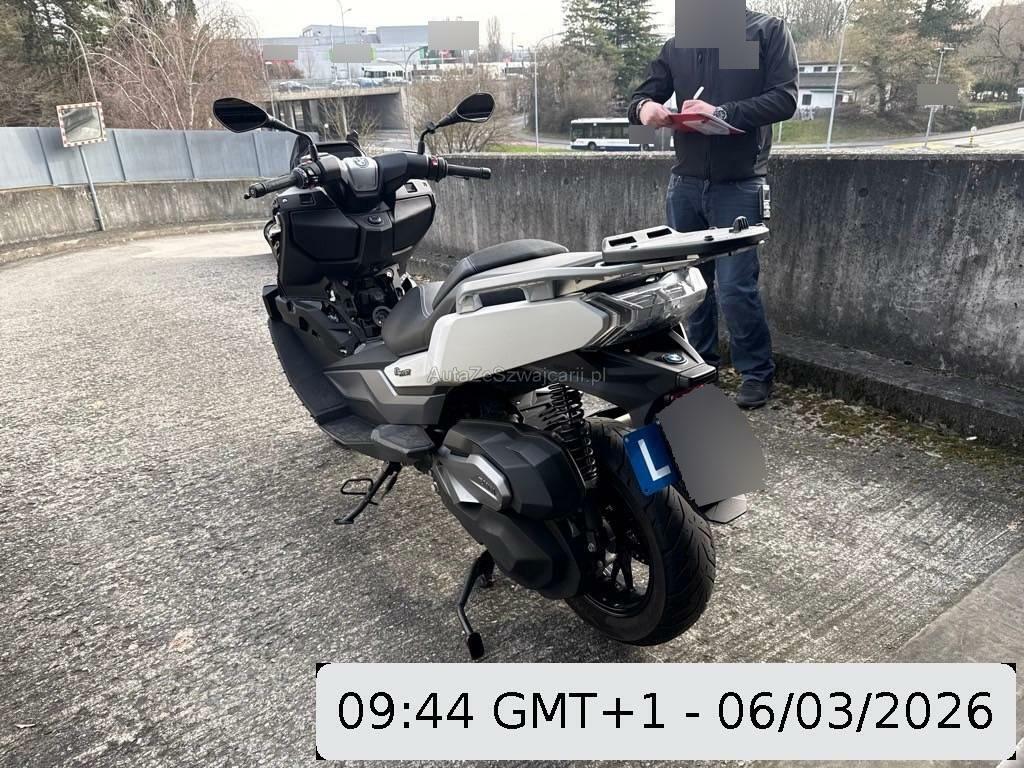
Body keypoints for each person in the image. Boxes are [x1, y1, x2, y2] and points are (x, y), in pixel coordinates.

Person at [628, 10, 798, 409]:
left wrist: (721, 113)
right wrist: (645, 109)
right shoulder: (680, 43)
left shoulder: (766, 31)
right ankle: (701, 369)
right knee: (690, 285)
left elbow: (785, 98)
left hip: (740, 183)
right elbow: (639, 97)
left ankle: (756, 373)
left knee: (736, 287)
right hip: (684, 184)